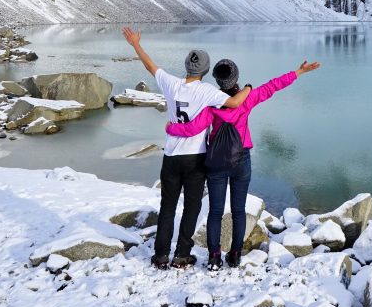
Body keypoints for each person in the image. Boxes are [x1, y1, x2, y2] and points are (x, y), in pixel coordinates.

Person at [167, 57, 320, 270]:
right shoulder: (247, 98)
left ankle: (213, 256)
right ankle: (235, 254)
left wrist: (171, 129)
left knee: (215, 212)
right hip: (241, 159)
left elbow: (193, 128)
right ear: (236, 78)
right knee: (239, 210)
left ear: (218, 81)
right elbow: (273, 86)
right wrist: (299, 72)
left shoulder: (212, 102)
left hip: (216, 163)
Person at [122, 27, 251, 270]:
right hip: (195, 157)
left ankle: (160, 256)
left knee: (167, 206)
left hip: (171, 156)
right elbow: (234, 102)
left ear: (186, 66)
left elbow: (151, 67)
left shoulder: (170, 84)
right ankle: (182, 255)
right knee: (192, 206)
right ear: (204, 70)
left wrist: (136, 44)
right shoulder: (207, 91)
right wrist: (249, 88)